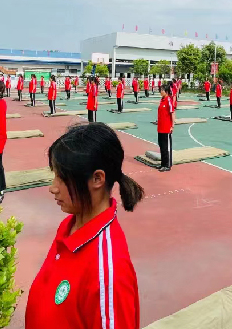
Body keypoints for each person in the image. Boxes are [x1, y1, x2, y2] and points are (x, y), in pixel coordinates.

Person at [25, 123, 143, 328]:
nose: (53, 188)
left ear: (97, 179)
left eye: (62, 178)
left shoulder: (107, 273)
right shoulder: (69, 225)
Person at [157, 83, 176, 172]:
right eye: (160, 90)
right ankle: (163, 164)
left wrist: (172, 126)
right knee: (161, 146)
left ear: (166, 91)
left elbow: (172, 113)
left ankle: (167, 165)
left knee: (166, 147)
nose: (161, 92)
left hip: (166, 128)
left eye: (162, 90)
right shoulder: (162, 100)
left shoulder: (168, 100)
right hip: (160, 128)